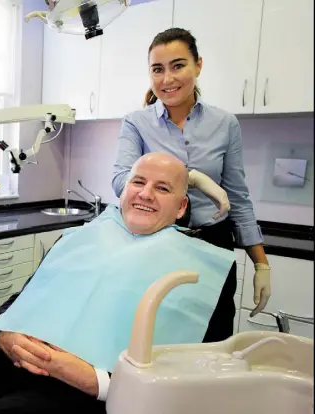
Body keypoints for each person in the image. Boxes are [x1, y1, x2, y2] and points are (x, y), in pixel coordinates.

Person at [0, 153, 230, 414]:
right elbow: (24, 298)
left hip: (77, 391)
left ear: (182, 206)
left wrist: (98, 382)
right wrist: (4, 335)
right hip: (7, 358)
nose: (146, 193)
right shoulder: (82, 238)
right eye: (138, 182)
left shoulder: (199, 271)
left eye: (163, 188)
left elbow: (197, 373)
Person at [112, 27, 271, 342]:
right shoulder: (137, 122)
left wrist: (261, 263)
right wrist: (192, 177)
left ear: (198, 65)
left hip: (214, 243)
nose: (168, 78)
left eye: (178, 65)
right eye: (158, 69)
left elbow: (237, 197)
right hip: (160, 244)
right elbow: (121, 181)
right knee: (160, 341)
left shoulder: (225, 124)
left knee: (214, 339)